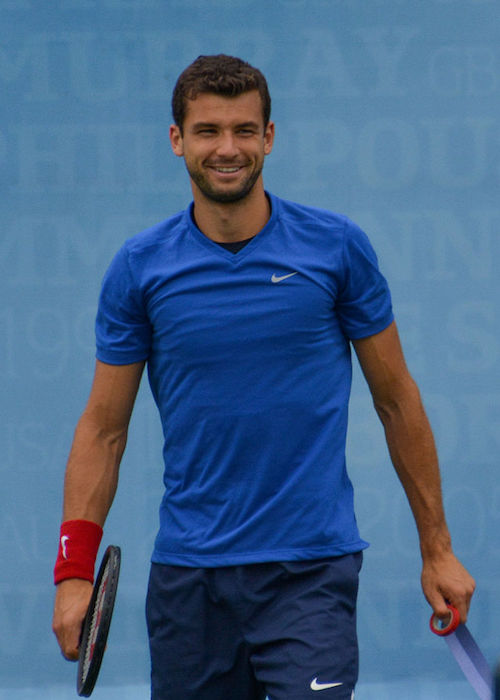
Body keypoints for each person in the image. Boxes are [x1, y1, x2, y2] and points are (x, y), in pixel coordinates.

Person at [52, 54, 475, 700]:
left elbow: (397, 402)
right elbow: (104, 431)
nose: (228, 148)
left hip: (310, 574)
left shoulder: (337, 249)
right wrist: (73, 572)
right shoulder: (139, 270)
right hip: (189, 584)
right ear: (177, 141)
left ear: (269, 138)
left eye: (245, 130)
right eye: (208, 131)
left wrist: (437, 549)